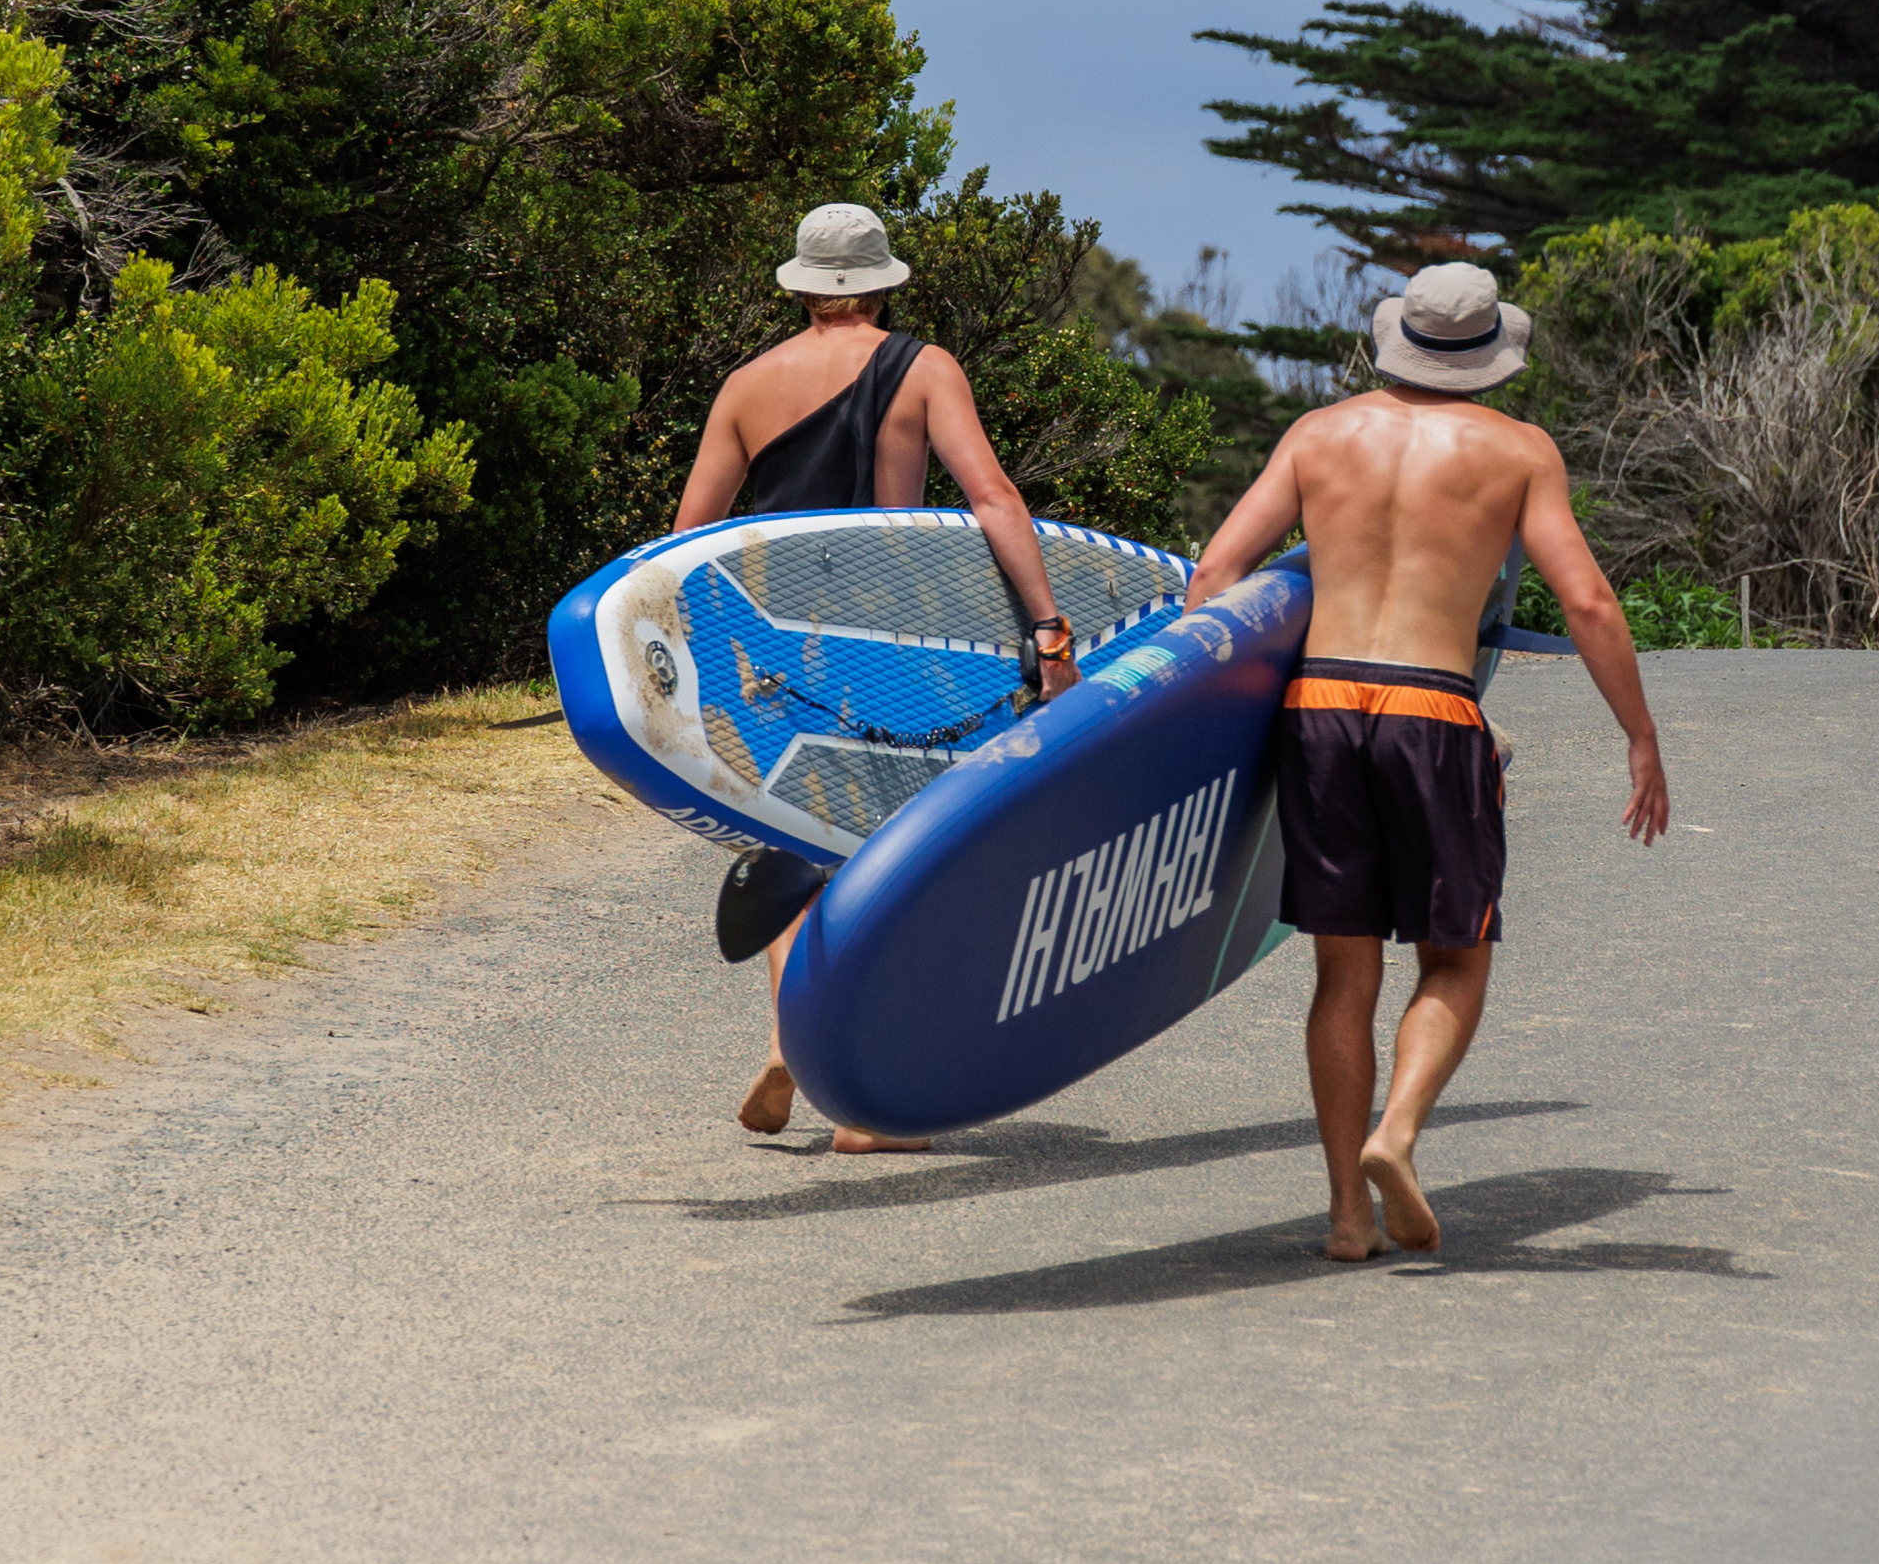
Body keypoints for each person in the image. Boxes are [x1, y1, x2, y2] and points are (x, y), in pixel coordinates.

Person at [1184, 261, 1667, 1263]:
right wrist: (1640, 733)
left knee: (1342, 965)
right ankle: (1396, 1131)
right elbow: (1586, 600)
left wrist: (1208, 726)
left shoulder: (1320, 435)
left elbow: (1217, 572)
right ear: (1492, 352)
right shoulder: (1519, 449)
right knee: (1454, 953)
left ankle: (1346, 1218)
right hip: (1430, 709)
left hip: (1318, 707)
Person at [675, 201, 1079, 1154]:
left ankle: (791, 1042)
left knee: (797, 836)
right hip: (886, 644)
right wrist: (1048, 631)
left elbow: (690, 539)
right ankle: (868, 1102)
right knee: (898, 856)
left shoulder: (746, 385)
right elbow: (993, 499)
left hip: (776, 652)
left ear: (806, 286)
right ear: (884, 281)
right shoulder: (924, 369)